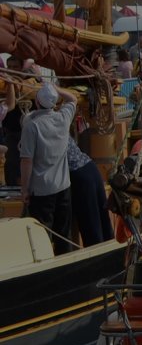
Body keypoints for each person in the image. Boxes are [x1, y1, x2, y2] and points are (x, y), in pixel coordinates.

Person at [20, 83, 77, 253]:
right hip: (63, 187)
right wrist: (56, 88)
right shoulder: (63, 118)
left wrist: (24, 190)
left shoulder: (32, 126)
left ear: (36, 102)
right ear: (54, 103)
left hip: (42, 191)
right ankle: (67, 269)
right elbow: (73, 99)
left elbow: (26, 161)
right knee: (63, 235)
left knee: (43, 237)